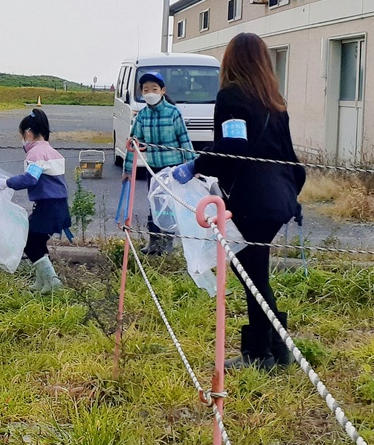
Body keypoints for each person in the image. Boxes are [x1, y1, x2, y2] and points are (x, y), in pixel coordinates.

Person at [173, 32, 305, 371]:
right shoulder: (274, 101)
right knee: (255, 273)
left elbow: (235, 148)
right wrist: (291, 198)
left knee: (251, 275)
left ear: (232, 60)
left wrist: (196, 165)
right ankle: (276, 351)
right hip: (280, 197)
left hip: (252, 199)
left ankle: (261, 354)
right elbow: (291, 159)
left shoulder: (232, 95)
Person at [0, 108, 70, 293]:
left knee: (30, 243)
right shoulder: (52, 151)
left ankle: (53, 284)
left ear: (28, 133)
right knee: (36, 243)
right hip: (58, 205)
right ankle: (42, 283)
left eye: (22, 135)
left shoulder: (36, 153)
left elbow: (31, 178)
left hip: (47, 206)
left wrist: (7, 183)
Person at [121, 71, 195, 255]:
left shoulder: (173, 113)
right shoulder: (142, 116)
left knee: (169, 204)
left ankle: (167, 243)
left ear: (162, 90)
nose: (150, 92)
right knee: (154, 203)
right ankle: (153, 242)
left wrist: (193, 166)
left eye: (154, 88)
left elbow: (185, 140)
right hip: (152, 169)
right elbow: (133, 144)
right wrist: (128, 169)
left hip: (172, 169)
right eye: (146, 89)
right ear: (142, 93)